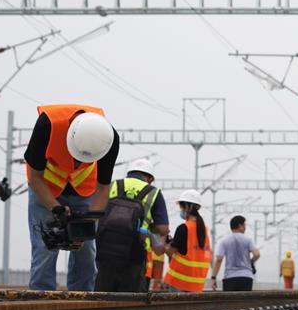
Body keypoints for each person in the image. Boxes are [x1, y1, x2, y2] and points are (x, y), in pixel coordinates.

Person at [24, 105, 119, 291]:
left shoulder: (109, 138)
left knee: (87, 253)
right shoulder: (47, 125)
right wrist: (56, 209)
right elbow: (35, 178)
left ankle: (81, 302)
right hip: (46, 188)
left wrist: (86, 225)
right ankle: (41, 301)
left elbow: (103, 188)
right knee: (45, 248)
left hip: (84, 190)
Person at [95, 159, 167, 292]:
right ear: (150, 178)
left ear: (128, 173)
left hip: (106, 249)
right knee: (131, 299)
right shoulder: (153, 192)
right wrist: (150, 227)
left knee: (103, 294)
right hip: (135, 252)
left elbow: (96, 210)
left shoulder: (113, 185)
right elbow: (163, 229)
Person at [163, 190, 212, 292]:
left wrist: (164, 240)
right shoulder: (204, 229)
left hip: (179, 283)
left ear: (186, 206)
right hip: (197, 285)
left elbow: (170, 252)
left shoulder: (184, 228)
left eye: (181, 206)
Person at [211, 214, 260, 292]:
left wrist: (213, 277)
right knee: (244, 303)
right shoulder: (248, 239)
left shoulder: (224, 240)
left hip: (230, 277)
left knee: (229, 303)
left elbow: (219, 260)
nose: (245, 227)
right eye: (244, 225)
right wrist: (251, 261)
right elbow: (257, 254)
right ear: (240, 225)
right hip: (246, 277)